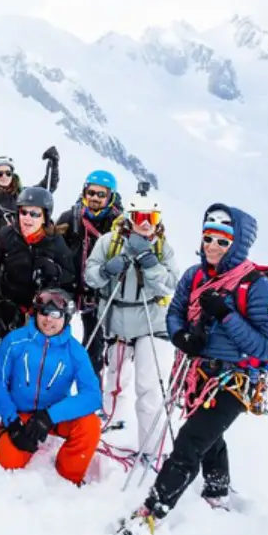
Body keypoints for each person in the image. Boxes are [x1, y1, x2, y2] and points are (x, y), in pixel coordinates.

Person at [118, 205, 268, 535]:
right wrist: (181, 336)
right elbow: (176, 311)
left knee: (190, 442)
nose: (212, 247)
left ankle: (154, 510)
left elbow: (267, 347)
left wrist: (225, 316)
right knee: (209, 435)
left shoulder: (258, 287)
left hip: (234, 381)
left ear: (237, 244)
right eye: (208, 238)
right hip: (199, 375)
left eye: (222, 241)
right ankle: (217, 492)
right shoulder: (195, 276)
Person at [82, 188, 176, 464]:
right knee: (115, 376)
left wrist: (150, 264)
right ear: (129, 218)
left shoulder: (162, 248)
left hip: (151, 322)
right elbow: (91, 277)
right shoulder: (110, 242)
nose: (146, 224)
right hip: (118, 321)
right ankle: (112, 422)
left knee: (148, 385)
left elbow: (171, 284)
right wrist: (108, 269)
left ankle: (152, 449)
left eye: (151, 217)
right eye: (140, 217)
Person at [0, 288, 103, 484]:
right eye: (44, 312)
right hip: (21, 416)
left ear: (66, 318)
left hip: (54, 418)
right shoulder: (15, 341)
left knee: (90, 425)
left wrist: (50, 416)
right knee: (8, 463)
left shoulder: (75, 351)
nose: (49, 320)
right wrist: (13, 424)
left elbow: (92, 396)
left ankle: (68, 477)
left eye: (56, 315)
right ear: (36, 313)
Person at [0, 186, 78, 340]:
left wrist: (55, 271)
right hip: (9, 309)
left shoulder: (55, 241)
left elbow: (70, 278)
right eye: (23, 212)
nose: (27, 218)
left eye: (34, 214)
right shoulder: (6, 236)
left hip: (41, 313)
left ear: (45, 217)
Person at [57, 169, 123, 369]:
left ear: (110, 197)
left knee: (93, 347)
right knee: (55, 335)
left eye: (101, 194)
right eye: (91, 192)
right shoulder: (70, 218)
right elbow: (53, 248)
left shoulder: (118, 225)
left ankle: (90, 384)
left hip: (100, 290)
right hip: (69, 285)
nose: (94, 198)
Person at [0, 150, 60, 251]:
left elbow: (47, 187)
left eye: (8, 173)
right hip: (3, 249)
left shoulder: (25, 195)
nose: (4, 176)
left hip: (28, 245)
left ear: (12, 174)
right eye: (0, 174)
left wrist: (54, 164)